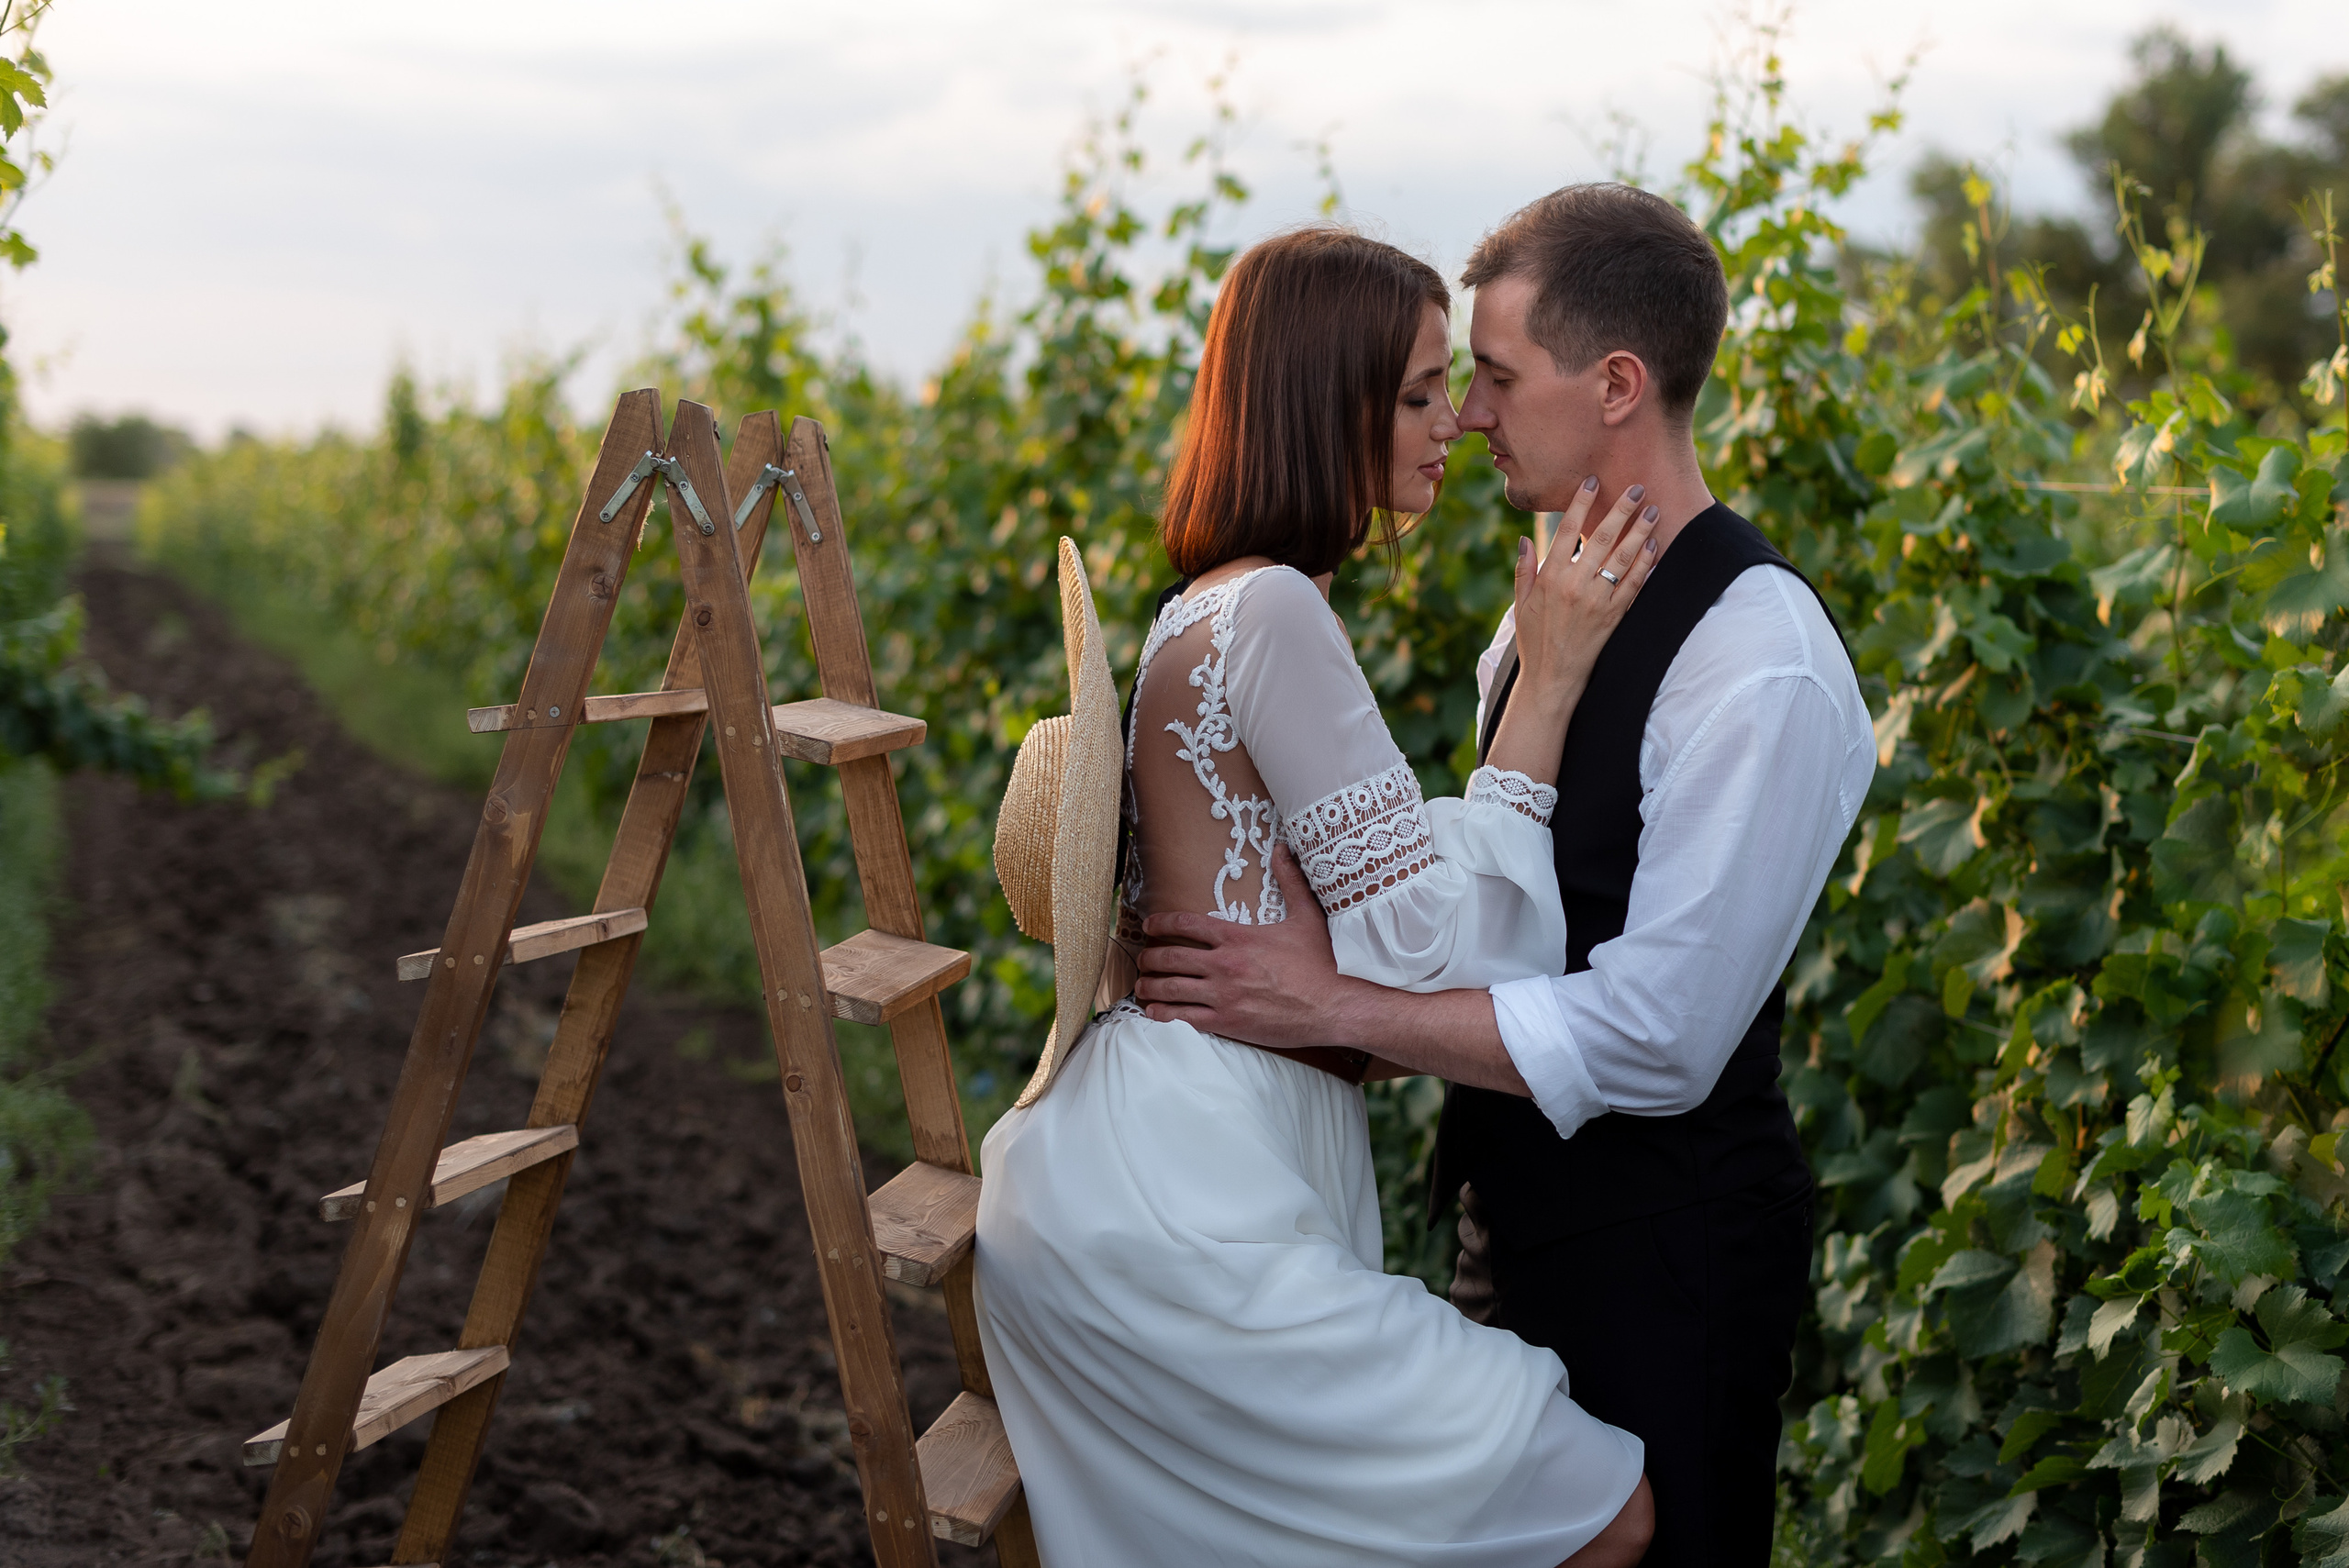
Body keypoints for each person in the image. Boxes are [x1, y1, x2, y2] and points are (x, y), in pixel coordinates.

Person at [1133, 183, 1876, 1568]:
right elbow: (1484, 914)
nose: (1466, 414)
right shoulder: (1543, 617)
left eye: (1489, 375)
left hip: (1669, 1253)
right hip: (1515, 1225)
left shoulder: (1757, 661)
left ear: (1614, 384)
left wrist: (1331, 1009)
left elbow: (1657, 1033)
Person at [975, 226, 1664, 1567]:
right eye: (1415, 392)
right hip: (1193, 1196)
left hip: (1161, 1161)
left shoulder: (1204, 605)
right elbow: (1425, 942)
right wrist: (1558, 680)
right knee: (1601, 1505)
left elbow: (1359, 925)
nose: (1453, 422)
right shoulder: (1277, 608)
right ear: (1320, 399)